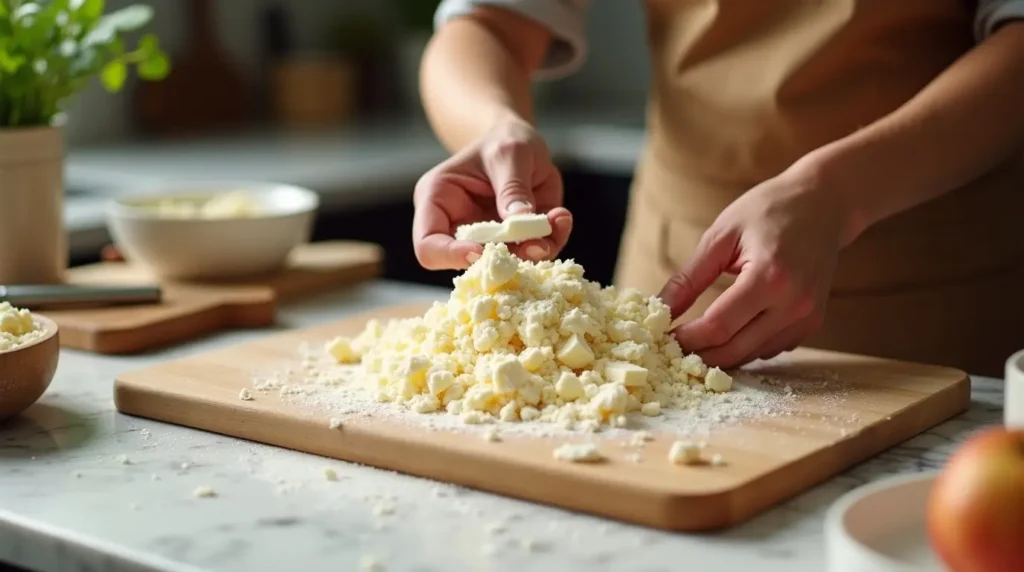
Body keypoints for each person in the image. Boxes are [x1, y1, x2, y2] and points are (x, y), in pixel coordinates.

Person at [411, 0, 1024, 377]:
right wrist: (494, 127)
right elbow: (486, 24)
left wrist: (840, 192)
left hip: (928, 289)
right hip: (673, 255)